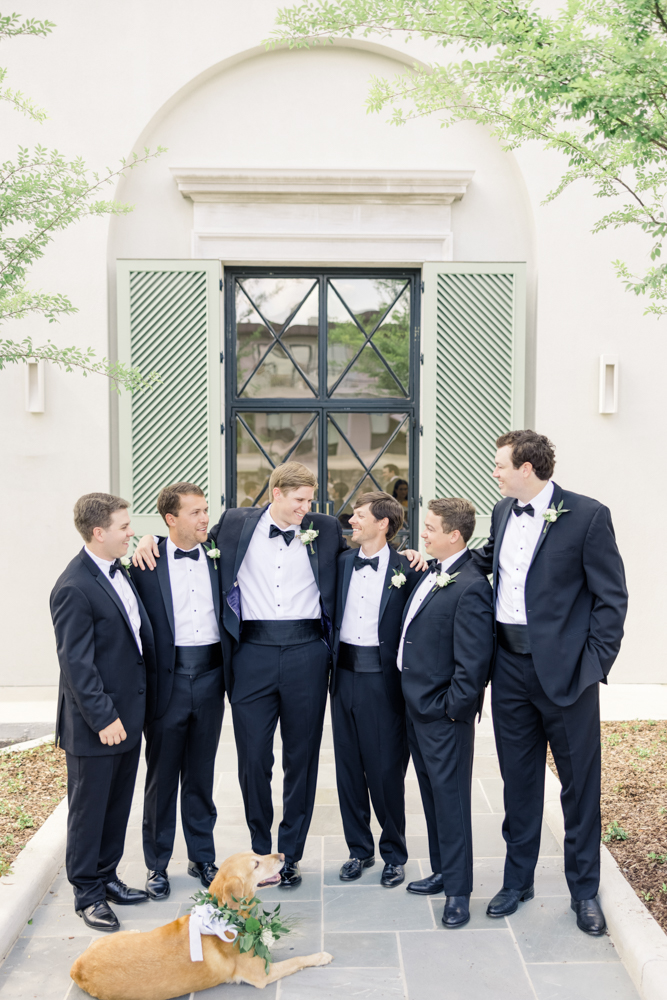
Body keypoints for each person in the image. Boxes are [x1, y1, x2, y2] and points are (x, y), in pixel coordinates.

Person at [133, 462, 425, 888]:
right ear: (275, 494)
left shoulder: (323, 529)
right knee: (253, 761)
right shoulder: (234, 523)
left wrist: (412, 555)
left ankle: (289, 855)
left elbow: (372, 548)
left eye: (310, 500)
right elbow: (186, 541)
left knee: (301, 760)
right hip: (251, 655)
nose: (307, 508)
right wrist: (148, 539)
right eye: (299, 501)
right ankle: (259, 848)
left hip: (308, 655)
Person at [471, 430, 627, 935]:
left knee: (580, 788)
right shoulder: (501, 513)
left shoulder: (587, 515)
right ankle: (518, 880)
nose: (494, 472)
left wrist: (593, 665)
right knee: (518, 783)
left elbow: (612, 599)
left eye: (500, 464)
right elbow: (491, 561)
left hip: (567, 675)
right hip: (508, 670)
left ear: (527, 467)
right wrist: (434, 560)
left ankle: (584, 891)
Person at [50, 493, 157, 932]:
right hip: (98, 723)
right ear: (99, 532)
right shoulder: (72, 587)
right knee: (89, 811)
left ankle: (107, 876)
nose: (131, 531)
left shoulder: (120, 571)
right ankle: (87, 894)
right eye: (124, 526)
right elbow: (76, 664)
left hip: (129, 716)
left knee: (116, 806)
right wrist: (104, 718)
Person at [398, 498, 494, 928]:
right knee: (432, 797)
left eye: (431, 528)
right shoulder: (433, 573)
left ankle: (458, 891)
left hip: (442, 715)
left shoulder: (472, 585)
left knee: (451, 802)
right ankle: (441, 870)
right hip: (415, 707)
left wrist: (450, 710)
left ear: (455, 534)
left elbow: (473, 664)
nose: (424, 534)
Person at [130, 483, 225, 901]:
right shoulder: (144, 566)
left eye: (206, 510)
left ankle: (202, 856)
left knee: (201, 776)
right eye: (195, 513)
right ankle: (156, 864)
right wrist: (143, 541)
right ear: (171, 520)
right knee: (162, 777)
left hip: (211, 678)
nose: (205, 518)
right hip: (166, 684)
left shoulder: (222, 555)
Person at [331, 491, 422, 889]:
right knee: (349, 768)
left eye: (360, 515)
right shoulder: (341, 562)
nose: (351, 520)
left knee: (385, 771)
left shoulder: (410, 568)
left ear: (383, 523)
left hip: (384, 683)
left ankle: (394, 853)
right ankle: (358, 849)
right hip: (343, 677)